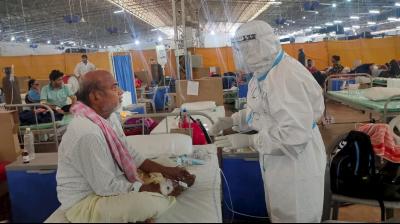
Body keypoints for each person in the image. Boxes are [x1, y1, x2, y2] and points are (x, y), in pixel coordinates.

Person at [212, 21, 326, 223]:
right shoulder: (262, 73)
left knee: (296, 215)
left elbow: (294, 137)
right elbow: (261, 111)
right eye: (239, 49)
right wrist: (233, 120)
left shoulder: (286, 77)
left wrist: (249, 142)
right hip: (277, 157)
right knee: (280, 213)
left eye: (244, 49)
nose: (242, 55)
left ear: (259, 46)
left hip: (296, 161)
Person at [56, 70, 196, 222]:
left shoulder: (109, 118)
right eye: (114, 87)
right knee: (147, 204)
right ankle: (162, 198)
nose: (121, 92)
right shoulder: (87, 133)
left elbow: (130, 153)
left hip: (112, 182)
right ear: (96, 96)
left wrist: (168, 171)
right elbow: (105, 187)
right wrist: (156, 189)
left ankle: (160, 195)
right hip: (87, 202)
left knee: (165, 162)